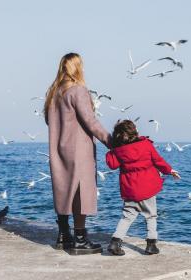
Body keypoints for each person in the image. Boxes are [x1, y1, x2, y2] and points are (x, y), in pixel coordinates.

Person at [44, 53, 111, 255]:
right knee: (80, 193)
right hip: (79, 150)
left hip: (58, 148)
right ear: (77, 67)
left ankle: (64, 235)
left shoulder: (53, 93)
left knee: (64, 189)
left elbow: (49, 120)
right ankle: (80, 240)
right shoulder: (78, 90)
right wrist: (112, 142)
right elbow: (91, 122)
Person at [105, 120, 180, 256]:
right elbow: (158, 161)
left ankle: (115, 242)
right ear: (135, 131)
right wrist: (170, 170)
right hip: (147, 188)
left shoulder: (118, 151)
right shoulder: (146, 144)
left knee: (127, 217)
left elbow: (112, 164)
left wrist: (112, 150)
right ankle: (151, 245)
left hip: (130, 189)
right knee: (151, 216)